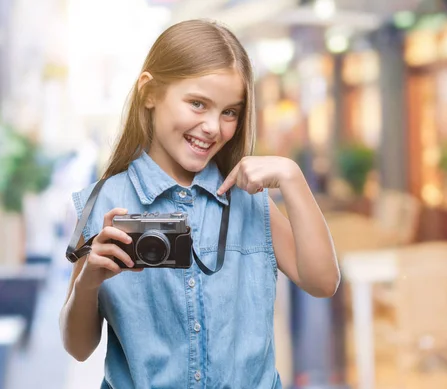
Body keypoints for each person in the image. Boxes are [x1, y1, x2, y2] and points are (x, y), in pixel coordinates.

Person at [59, 19, 340, 389]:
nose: (213, 126)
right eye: (197, 104)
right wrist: (88, 283)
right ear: (150, 92)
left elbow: (323, 282)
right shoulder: (104, 204)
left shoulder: (250, 202)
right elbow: (78, 348)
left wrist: (292, 177)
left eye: (230, 112)